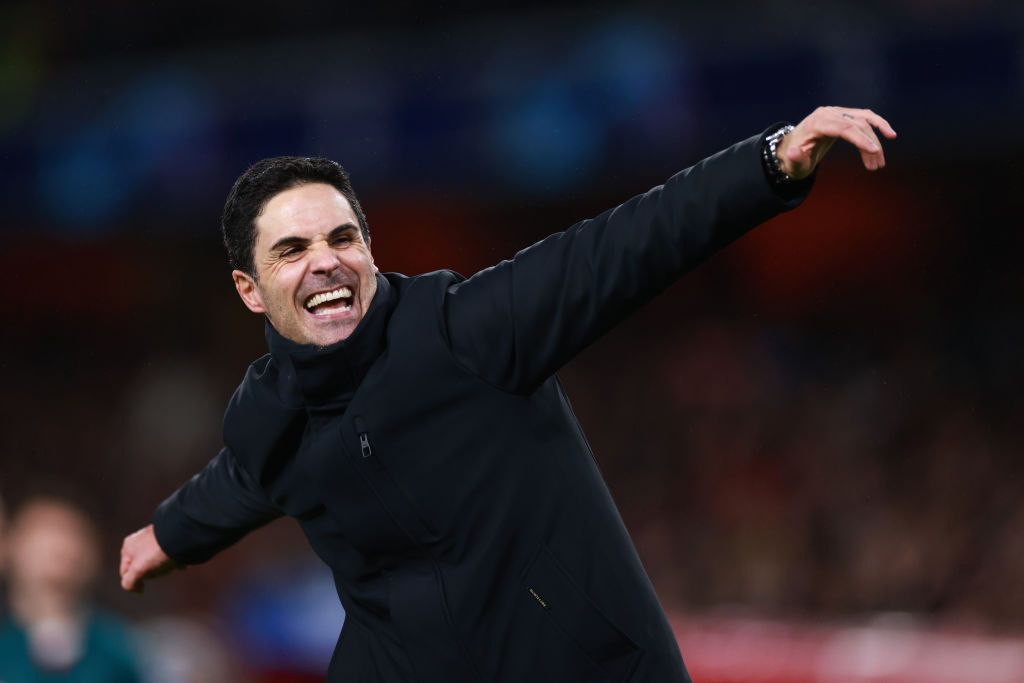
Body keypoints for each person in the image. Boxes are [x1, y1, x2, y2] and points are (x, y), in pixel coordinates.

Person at [120, 106, 896, 682]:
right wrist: (169, 534)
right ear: (250, 290)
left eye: (342, 237)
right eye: (292, 249)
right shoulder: (266, 412)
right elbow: (246, 477)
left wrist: (768, 164)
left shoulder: (463, 331)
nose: (326, 261)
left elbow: (624, 247)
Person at [1, 496, 143, 683]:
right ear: (10, 549)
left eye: (73, 536)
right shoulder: (6, 641)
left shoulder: (119, 649)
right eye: (44, 536)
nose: (61, 551)